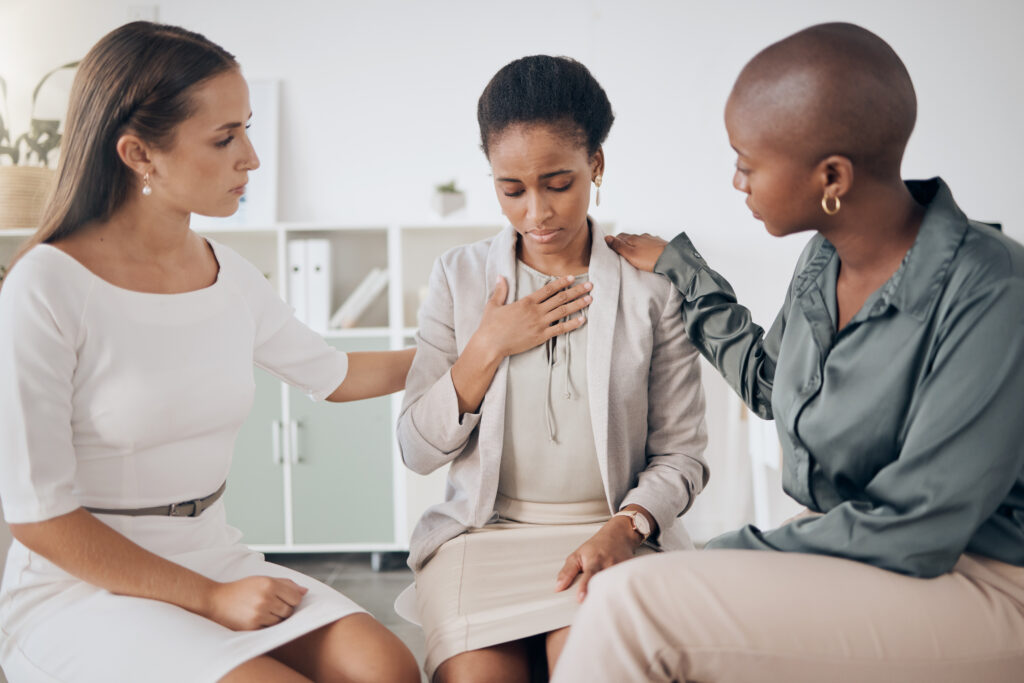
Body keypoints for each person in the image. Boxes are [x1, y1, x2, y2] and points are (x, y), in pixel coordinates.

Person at [550, 22, 1024, 683]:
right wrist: (683, 269)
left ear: (831, 175)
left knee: (634, 606)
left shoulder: (994, 290)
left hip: (987, 574)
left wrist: (723, 553)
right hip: (861, 541)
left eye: (747, 161)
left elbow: (920, 525)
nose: (736, 179)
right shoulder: (825, 257)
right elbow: (774, 384)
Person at [0, 22, 420, 683]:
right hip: (81, 585)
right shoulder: (45, 287)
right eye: (225, 138)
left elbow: (335, 374)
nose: (251, 157)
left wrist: (473, 348)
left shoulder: (231, 274)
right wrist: (210, 600)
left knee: (385, 668)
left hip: (211, 553)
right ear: (139, 154)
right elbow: (39, 518)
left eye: (247, 128)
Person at [396, 55, 709, 682]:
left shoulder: (652, 289)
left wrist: (628, 526)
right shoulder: (458, 278)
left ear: (595, 164)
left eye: (557, 183)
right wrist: (487, 346)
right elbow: (416, 449)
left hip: (612, 536)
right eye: (511, 190)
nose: (535, 211)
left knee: (590, 670)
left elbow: (683, 457)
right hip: (482, 540)